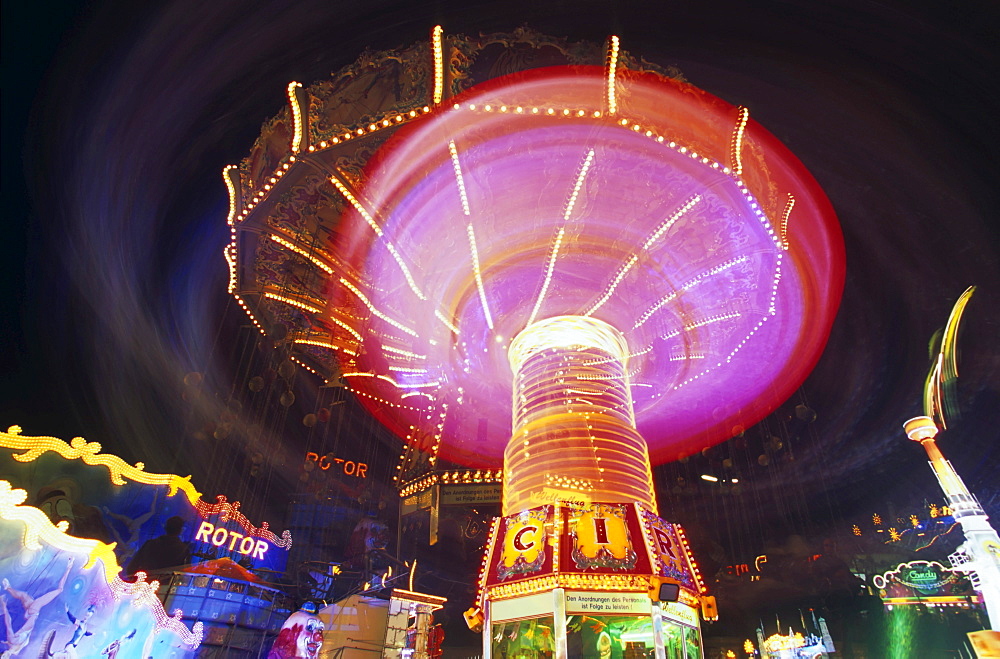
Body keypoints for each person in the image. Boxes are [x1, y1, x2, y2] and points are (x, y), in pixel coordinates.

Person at [0, 557, 74, 658]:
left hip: (32, 612)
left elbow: (8, 622)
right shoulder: (15, 651)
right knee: (25, 596)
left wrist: (4, 607)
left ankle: (69, 567)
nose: (6, 657)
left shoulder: (11, 641)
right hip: (31, 614)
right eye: (5, 658)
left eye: (3, 656)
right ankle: (8, 588)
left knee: (26, 596)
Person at [126, 516, 191, 577]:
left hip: (146, 583)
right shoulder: (183, 550)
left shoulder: (150, 544)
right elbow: (185, 575)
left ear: (166, 527)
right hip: (167, 586)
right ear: (180, 530)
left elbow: (132, 568)